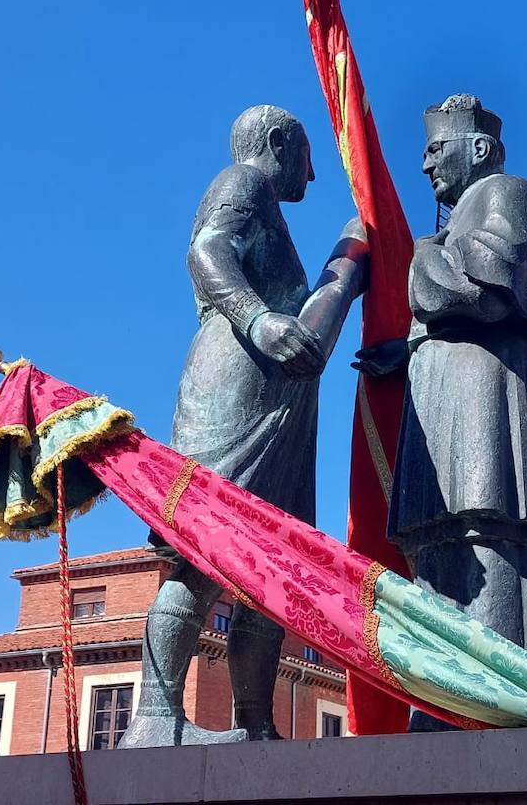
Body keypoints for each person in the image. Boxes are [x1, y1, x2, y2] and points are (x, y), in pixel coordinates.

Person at [121, 104, 365, 747]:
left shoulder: (268, 206)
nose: (311, 177)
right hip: (235, 379)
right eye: (309, 158)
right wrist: (257, 319)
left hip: (278, 401)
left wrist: (346, 268)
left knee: (268, 568)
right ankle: (154, 717)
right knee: (203, 555)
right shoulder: (243, 182)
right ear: (280, 143)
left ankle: (254, 723)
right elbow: (205, 252)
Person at [356, 94, 527, 731]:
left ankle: (495, 700)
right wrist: (402, 349)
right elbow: (447, 303)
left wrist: (418, 254)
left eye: (437, 149)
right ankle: (448, 700)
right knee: (443, 542)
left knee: (489, 529)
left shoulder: (508, 192)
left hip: (490, 397)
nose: (426, 164)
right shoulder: (458, 217)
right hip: (446, 399)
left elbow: (484, 288)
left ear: (479, 149)